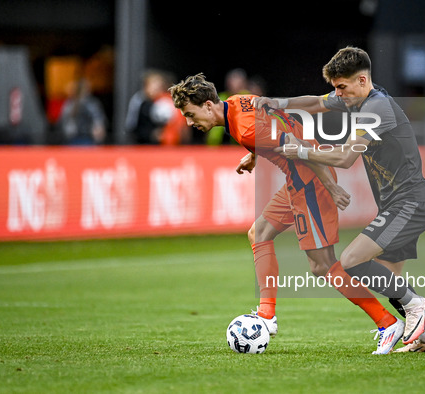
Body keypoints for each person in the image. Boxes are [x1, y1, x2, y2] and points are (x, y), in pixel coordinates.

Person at [170, 73, 405, 355]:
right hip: (297, 179)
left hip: (310, 180)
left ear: (208, 105)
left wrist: (330, 186)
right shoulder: (237, 103)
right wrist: (254, 155)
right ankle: (267, 315)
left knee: (322, 265)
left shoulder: (244, 127)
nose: (188, 122)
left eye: (189, 113)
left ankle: (387, 322)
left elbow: (298, 146)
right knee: (259, 233)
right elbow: (275, 121)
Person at [255, 46, 425, 352]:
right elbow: (316, 102)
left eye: (342, 87)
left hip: (409, 203)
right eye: (336, 88)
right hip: (399, 204)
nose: (337, 94)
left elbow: (344, 158)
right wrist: (278, 103)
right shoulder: (356, 99)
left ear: (362, 80)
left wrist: (299, 150)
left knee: (352, 261)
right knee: (388, 278)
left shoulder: (376, 108)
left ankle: (418, 306)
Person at [57, 78, 107, 145]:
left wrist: (98, 128)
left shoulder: (91, 103)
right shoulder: (70, 104)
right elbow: (63, 120)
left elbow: (98, 119)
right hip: (72, 139)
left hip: (88, 138)